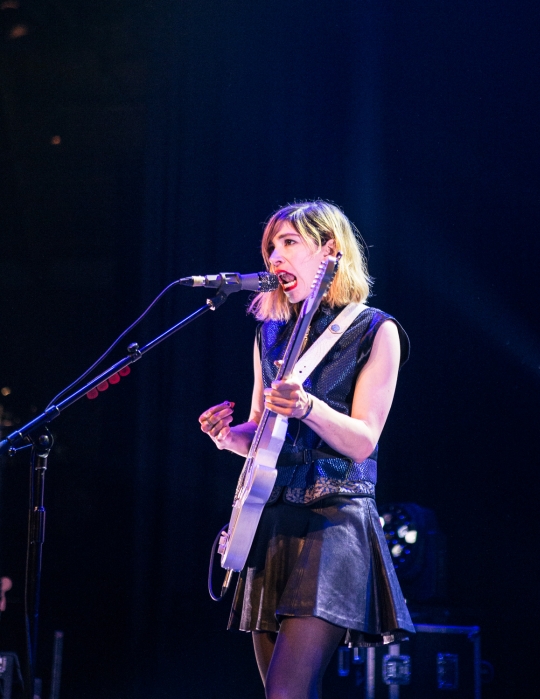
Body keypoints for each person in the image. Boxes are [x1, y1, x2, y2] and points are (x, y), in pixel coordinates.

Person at [199, 201, 414, 699]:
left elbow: (363, 440)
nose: (275, 257)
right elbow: (261, 430)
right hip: (269, 519)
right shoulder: (269, 333)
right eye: (270, 247)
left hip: (334, 520)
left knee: (287, 692)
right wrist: (228, 436)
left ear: (330, 251)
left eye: (289, 243)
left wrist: (309, 407)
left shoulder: (376, 330)